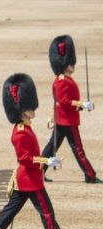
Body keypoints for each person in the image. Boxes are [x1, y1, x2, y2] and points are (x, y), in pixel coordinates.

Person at [0, 74, 79, 229]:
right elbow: (25, 158)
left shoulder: (25, 127)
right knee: (47, 214)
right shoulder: (20, 133)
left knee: (10, 210)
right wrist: (46, 161)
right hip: (30, 180)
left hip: (27, 179)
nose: (32, 110)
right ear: (22, 111)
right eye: (28, 108)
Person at [40, 35, 97, 183]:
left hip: (64, 119)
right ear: (65, 64)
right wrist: (82, 104)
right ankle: (89, 175)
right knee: (77, 149)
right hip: (67, 120)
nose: (73, 65)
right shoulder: (62, 81)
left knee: (50, 148)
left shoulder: (63, 80)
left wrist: (82, 105)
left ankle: (38, 172)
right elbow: (64, 101)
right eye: (71, 63)